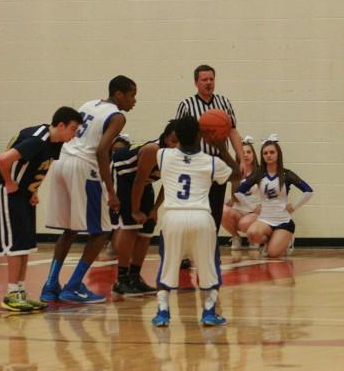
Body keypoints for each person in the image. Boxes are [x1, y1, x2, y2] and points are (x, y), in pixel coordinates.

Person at [131, 116, 237, 327]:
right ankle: (208, 311)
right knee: (209, 266)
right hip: (201, 217)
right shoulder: (211, 161)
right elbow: (238, 174)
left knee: (168, 264)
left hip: (173, 217)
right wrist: (221, 147)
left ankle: (162, 312)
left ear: (177, 136)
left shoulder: (163, 155)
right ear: (200, 135)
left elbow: (145, 155)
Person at [41, 75, 137, 304]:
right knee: (102, 231)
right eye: (132, 95)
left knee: (70, 229)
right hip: (84, 168)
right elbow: (102, 151)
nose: (134, 101)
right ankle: (73, 285)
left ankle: (51, 284)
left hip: (63, 161)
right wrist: (112, 193)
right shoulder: (117, 116)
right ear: (119, 94)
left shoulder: (88, 104)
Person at [0, 106, 82, 312]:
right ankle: (11, 293)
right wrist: (9, 183)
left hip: (24, 194)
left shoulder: (55, 143)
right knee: (15, 245)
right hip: (9, 193)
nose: (74, 134)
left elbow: (39, 167)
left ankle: (20, 291)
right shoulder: (38, 139)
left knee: (25, 244)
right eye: (73, 129)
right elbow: (3, 159)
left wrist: (33, 190)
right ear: (61, 125)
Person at [175, 64, 242, 270]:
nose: (208, 83)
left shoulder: (223, 102)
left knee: (214, 212)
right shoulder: (186, 104)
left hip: (218, 163)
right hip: (195, 165)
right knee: (192, 210)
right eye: (204, 80)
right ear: (196, 82)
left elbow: (232, 132)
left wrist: (241, 157)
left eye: (211, 79)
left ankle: (210, 253)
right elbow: (180, 136)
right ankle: (185, 253)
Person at [108, 123, 176, 296]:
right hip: (124, 177)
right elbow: (138, 180)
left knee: (147, 229)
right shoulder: (153, 150)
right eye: (173, 141)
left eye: (179, 142)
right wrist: (136, 210)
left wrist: (155, 209)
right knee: (131, 227)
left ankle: (135, 277)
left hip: (143, 183)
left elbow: (169, 182)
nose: (176, 145)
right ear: (165, 137)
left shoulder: (178, 154)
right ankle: (121, 280)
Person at [236, 135, 314, 258]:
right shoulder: (259, 174)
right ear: (262, 156)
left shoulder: (286, 174)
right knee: (252, 233)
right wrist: (254, 207)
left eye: (272, 152)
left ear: (278, 154)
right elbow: (238, 192)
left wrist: (293, 206)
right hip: (265, 220)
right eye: (265, 153)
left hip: (283, 221)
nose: (269, 155)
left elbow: (308, 191)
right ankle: (271, 240)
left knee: (272, 254)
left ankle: (287, 240)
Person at [222, 136, 261, 249]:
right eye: (243, 152)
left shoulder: (260, 172)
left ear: (254, 155)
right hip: (239, 211)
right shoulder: (235, 174)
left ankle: (254, 238)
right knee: (222, 211)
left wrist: (263, 205)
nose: (246, 155)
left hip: (255, 213)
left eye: (249, 152)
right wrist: (226, 202)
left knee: (244, 223)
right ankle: (235, 237)